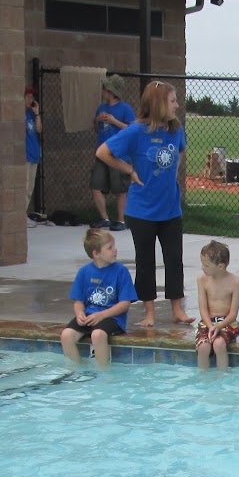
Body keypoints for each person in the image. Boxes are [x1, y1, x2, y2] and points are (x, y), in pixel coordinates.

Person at [100, 81, 193, 328]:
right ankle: (149, 312)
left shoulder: (175, 130)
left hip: (170, 207)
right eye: (172, 101)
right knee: (146, 260)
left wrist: (170, 173)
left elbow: (180, 151)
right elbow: (103, 152)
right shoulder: (135, 131)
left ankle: (177, 308)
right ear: (159, 104)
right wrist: (130, 169)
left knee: (174, 258)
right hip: (142, 209)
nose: (177, 105)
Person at [60, 227, 135, 368]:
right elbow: (78, 301)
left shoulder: (121, 271)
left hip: (113, 318)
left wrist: (102, 315)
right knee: (66, 335)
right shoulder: (84, 272)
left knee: (98, 335)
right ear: (96, 254)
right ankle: (77, 370)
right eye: (109, 248)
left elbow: (125, 303)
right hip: (90, 316)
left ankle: (103, 372)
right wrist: (79, 314)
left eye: (114, 246)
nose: (115, 250)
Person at [91, 74, 136, 229]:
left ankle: (121, 220)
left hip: (118, 155)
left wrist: (114, 121)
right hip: (101, 153)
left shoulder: (125, 109)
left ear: (111, 92)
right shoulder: (101, 107)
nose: (103, 92)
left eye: (105, 89)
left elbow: (132, 130)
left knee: (119, 189)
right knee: (96, 185)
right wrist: (98, 120)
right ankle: (104, 218)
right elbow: (96, 129)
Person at [195, 240, 239, 370]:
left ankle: (223, 376)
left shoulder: (235, 282)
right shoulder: (202, 280)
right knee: (203, 347)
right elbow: (203, 309)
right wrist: (211, 326)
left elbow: (233, 314)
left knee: (219, 344)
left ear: (220, 266)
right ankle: (203, 378)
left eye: (206, 265)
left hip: (227, 323)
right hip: (207, 322)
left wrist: (219, 326)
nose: (202, 268)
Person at [23, 86, 42, 221]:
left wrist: (36, 114)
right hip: (25, 154)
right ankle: (21, 215)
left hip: (34, 153)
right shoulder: (20, 114)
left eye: (32, 97)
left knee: (30, 188)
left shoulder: (30, 114)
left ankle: (23, 214)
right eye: (28, 97)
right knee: (24, 186)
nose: (31, 99)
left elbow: (39, 129)